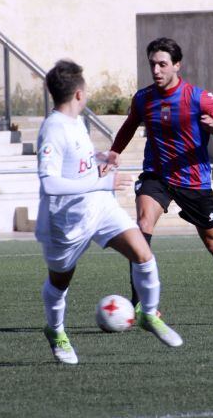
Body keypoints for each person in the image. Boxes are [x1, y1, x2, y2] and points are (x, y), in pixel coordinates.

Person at [101, 37, 213, 326]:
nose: (157, 70)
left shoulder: (198, 98)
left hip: (193, 180)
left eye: (162, 64)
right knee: (143, 227)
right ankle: (140, 305)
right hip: (157, 176)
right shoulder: (143, 98)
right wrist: (114, 153)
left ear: (176, 65)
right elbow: (129, 125)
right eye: (152, 64)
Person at [36, 59, 183, 365]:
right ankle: (56, 331)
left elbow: (76, 165)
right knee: (59, 283)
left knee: (143, 255)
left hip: (99, 207)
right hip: (66, 221)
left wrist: (97, 160)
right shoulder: (53, 129)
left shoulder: (77, 120)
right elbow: (50, 183)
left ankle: (149, 315)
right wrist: (101, 179)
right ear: (78, 93)